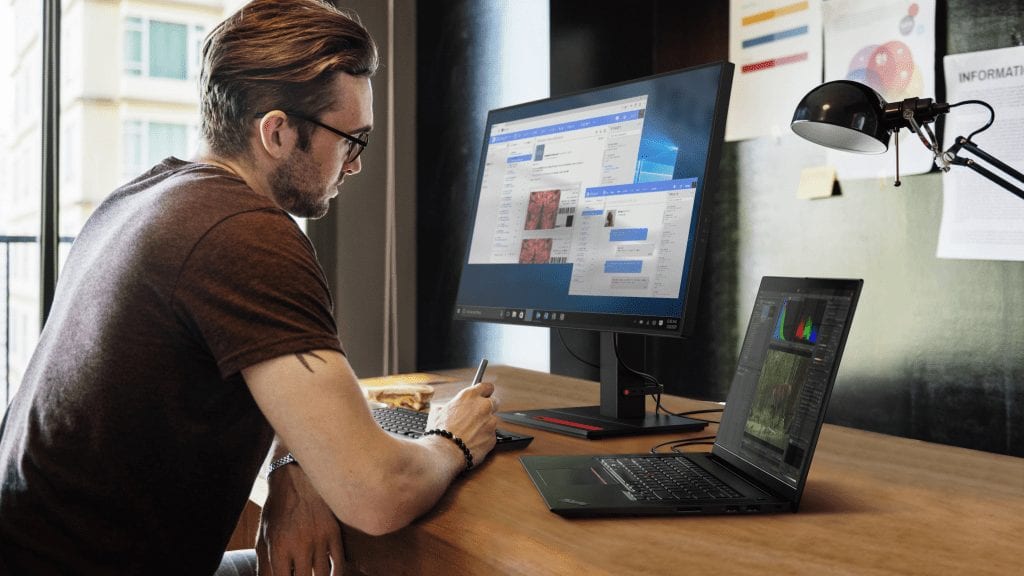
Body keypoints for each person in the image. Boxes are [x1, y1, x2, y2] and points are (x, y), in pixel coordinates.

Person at [0, 1, 500, 574]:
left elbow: (286, 388)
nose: (356, 165)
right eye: (351, 140)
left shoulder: (144, 197)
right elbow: (377, 493)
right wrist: (452, 441)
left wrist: (295, 462)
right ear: (278, 131)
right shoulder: (246, 234)